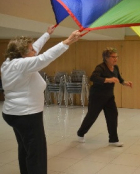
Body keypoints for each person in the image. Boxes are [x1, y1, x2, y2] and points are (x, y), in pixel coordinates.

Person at [1, 26, 81, 174]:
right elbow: (45, 57)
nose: (34, 51)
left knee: (25, 148)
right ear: (22, 54)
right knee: (37, 153)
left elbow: (35, 49)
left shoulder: (10, 61)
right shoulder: (22, 65)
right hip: (26, 115)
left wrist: (47, 34)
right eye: (31, 50)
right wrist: (68, 41)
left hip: (14, 113)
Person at [77, 47, 132, 146]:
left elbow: (118, 78)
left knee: (113, 116)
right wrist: (108, 80)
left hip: (109, 96)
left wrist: (125, 83)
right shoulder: (100, 67)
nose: (115, 59)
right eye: (113, 57)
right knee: (92, 116)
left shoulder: (115, 67)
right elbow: (93, 77)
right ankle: (80, 133)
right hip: (97, 96)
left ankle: (113, 139)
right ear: (106, 58)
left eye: (116, 57)